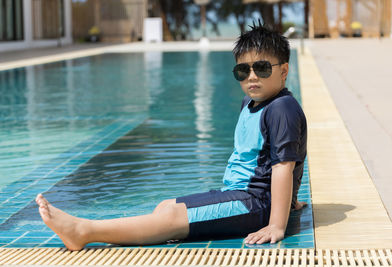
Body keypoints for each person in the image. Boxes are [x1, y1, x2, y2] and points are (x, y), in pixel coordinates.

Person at [35, 21, 307, 251]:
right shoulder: (250, 104)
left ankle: (83, 231)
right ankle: (153, 229)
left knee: (171, 215)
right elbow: (276, 155)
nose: (251, 77)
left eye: (261, 68)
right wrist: (291, 200)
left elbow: (284, 165)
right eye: (242, 70)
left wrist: (276, 223)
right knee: (166, 206)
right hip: (240, 197)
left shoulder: (281, 107)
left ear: (283, 71)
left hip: (254, 204)